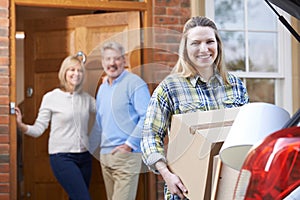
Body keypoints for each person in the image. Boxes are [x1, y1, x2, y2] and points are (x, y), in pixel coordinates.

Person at [141, 16, 250, 200]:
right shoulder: (170, 88)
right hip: (186, 191)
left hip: (229, 187)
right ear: (185, 48)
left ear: (218, 45)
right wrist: (167, 175)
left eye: (209, 42)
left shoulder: (235, 85)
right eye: (195, 43)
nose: (204, 49)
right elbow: (149, 136)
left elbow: (247, 133)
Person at [15, 53, 95, 200]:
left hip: (85, 157)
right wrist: (21, 125)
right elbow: (39, 128)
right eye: (72, 70)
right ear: (64, 72)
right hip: (62, 157)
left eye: (79, 71)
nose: (76, 74)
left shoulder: (87, 99)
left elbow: (105, 113)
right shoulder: (51, 97)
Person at [89, 41, 151, 200]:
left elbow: (147, 116)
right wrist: (90, 148)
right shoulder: (103, 88)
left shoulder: (134, 83)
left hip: (126, 156)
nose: (112, 63)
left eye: (116, 59)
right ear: (103, 62)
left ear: (124, 60)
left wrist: (129, 145)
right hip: (105, 156)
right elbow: (99, 121)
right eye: (108, 59)